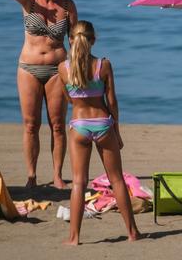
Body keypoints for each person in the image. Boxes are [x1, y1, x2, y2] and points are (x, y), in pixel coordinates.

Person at [0, 0, 78, 188]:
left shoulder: (68, 6)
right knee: (31, 125)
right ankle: (31, 176)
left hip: (58, 70)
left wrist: (79, 69)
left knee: (58, 125)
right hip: (28, 68)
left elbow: (74, 41)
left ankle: (57, 175)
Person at [58, 21, 139, 245]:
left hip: (80, 125)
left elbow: (69, 100)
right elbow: (112, 102)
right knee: (117, 180)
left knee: (78, 182)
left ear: (70, 40)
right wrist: (117, 130)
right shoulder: (103, 65)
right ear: (93, 40)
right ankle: (132, 233)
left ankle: (74, 238)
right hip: (103, 124)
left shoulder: (63, 68)